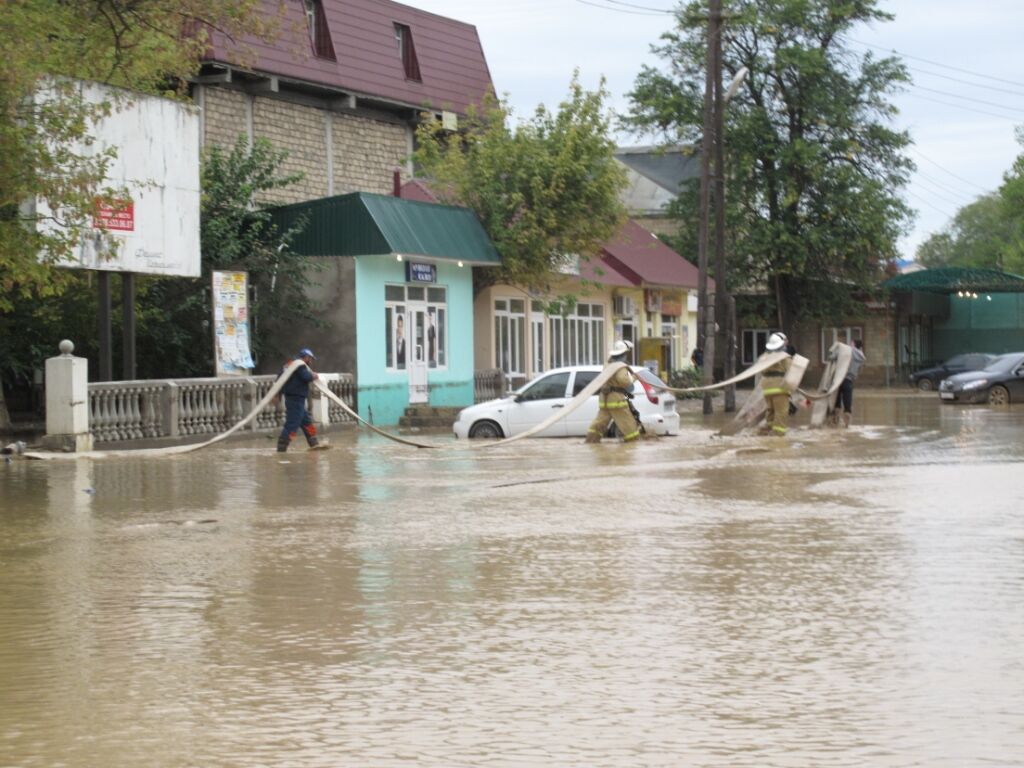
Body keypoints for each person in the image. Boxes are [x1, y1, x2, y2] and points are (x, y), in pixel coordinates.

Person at [585, 340, 642, 443]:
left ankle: (591, 441)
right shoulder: (620, 366)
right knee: (629, 425)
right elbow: (623, 381)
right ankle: (633, 444)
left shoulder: (607, 364)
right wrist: (634, 377)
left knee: (599, 424)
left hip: (604, 399)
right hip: (616, 401)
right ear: (623, 354)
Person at [276, 348, 320, 452]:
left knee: (306, 422)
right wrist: (314, 375)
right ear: (306, 357)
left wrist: (278, 394)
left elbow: (279, 379)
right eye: (311, 359)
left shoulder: (288, 364)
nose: (311, 362)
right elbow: (306, 377)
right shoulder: (300, 365)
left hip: (294, 398)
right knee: (293, 423)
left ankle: (314, 443)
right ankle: (281, 448)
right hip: (295, 398)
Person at [758, 332, 792, 437]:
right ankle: (778, 436)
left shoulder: (763, 356)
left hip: (766, 388)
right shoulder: (783, 356)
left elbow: (761, 371)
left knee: (771, 411)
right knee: (781, 413)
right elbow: (791, 371)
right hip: (780, 387)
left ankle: (767, 431)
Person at [835, 339, 866, 427]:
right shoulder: (861, 357)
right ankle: (847, 426)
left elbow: (834, 356)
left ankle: (835, 422)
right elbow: (859, 370)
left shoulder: (848, 351)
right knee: (847, 405)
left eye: (851, 343)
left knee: (836, 403)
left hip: (839, 379)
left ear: (853, 344)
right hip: (849, 381)